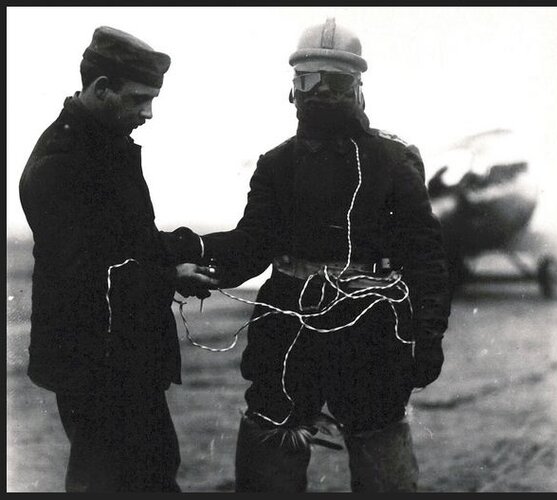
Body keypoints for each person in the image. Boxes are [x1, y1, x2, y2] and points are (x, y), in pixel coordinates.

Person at [188, 18, 451, 492]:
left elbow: (427, 259)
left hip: (372, 337)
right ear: (292, 89)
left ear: (358, 89)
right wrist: (188, 255)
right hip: (287, 335)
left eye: (336, 81)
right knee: (269, 466)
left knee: (384, 469)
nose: (319, 93)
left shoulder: (394, 162)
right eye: (307, 80)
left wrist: (427, 339)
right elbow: (252, 245)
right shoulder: (276, 165)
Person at [19, 26, 217, 492]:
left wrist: (190, 250)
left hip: (123, 360)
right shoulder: (62, 162)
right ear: (101, 87)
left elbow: (128, 241)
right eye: (138, 99)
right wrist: (170, 273)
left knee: (150, 472)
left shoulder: (101, 146)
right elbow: (87, 275)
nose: (148, 113)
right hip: (94, 367)